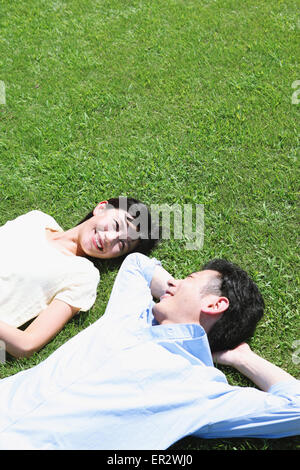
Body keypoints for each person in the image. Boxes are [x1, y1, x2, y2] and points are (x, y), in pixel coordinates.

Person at [0, 253, 298, 450]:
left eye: (188, 280)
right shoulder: (132, 314)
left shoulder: (200, 390)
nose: (175, 283)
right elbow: (137, 264)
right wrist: (168, 286)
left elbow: (294, 408)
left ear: (215, 304)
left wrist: (241, 357)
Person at [0, 197, 157, 359]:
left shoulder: (84, 276)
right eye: (116, 225)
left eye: (122, 244)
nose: (110, 238)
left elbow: (27, 344)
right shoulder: (37, 219)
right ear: (102, 208)